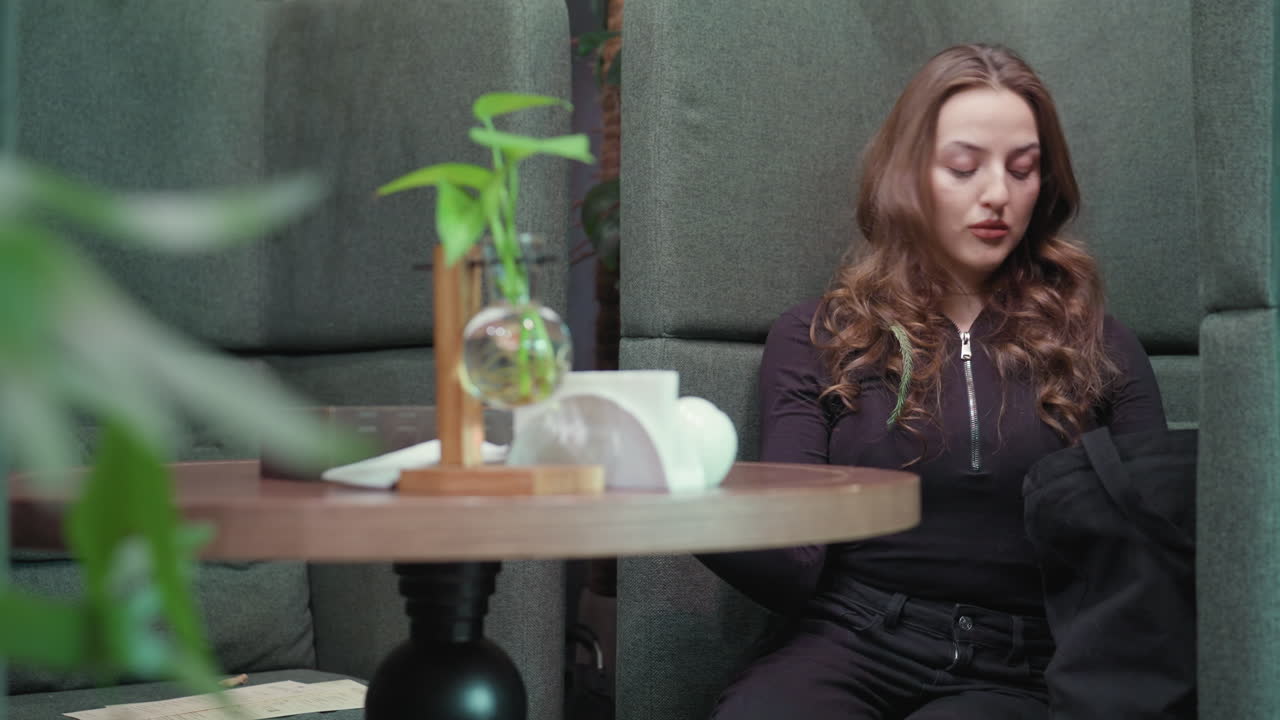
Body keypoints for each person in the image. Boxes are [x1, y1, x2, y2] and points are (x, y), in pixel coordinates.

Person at [701, 44, 1167, 720]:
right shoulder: (819, 334)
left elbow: (1152, 551)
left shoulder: (1101, 345)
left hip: (1023, 668)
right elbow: (792, 560)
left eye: (1023, 168)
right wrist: (674, 490)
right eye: (963, 166)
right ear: (909, 175)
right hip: (851, 643)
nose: (997, 194)